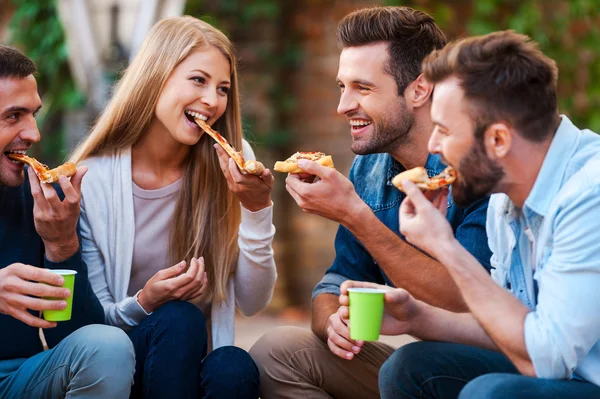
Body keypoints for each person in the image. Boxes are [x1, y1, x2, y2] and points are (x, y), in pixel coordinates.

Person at [249, 7, 492, 398]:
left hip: (488, 369)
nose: (343, 106)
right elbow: (334, 283)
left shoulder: (477, 167)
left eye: (362, 88)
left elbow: (468, 302)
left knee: (410, 366)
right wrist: (333, 323)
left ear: (419, 88)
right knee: (276, 352)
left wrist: (354, 214)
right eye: (341, 87)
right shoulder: (370, 167)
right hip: (410, 372)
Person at [345, 30, 600, 398]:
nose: (433, 146)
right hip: (566, 373)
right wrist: (417, 316)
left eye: (444, 131)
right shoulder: (504, 194)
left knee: (492, 392)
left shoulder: (588, 195)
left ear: (498, 140)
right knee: (408, 368)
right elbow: (513, 329)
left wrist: (446, 247)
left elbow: (547, 357)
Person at [69, 16, 276, 399]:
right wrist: (147, 300)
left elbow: (253, 300)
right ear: (155, 78)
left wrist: (256, 209)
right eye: (198, 80)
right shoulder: (93, 180)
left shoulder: (229, 162)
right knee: (179, 318)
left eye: (223, 88)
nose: (213, 101)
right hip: (124, 365)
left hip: (192, 367)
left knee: (233, 365)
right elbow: (96, 320)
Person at [0, 45, 135, 398]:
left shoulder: (36, 201)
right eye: (14, 116)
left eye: (33, 115)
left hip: (17, 378)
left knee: (106, 346)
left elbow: (74, 333)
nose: (33, 134)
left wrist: (61, 245)